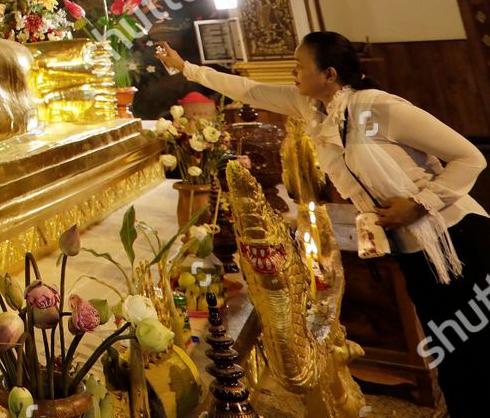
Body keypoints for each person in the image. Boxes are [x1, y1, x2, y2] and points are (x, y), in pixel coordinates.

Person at [155, 33, 488, 415]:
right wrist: (184, 68)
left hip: (456, 238)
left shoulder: (375, 109)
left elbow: (470, 157)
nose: (293, 73)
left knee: (478, 348)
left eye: (300, 66)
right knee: (449, 349)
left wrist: (418, 204)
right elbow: (249, 89)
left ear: (329, 74)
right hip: (412, 249)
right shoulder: (312, 107)